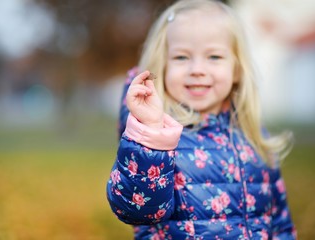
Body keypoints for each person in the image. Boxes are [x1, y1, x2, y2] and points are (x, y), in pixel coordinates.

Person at [106, 0, 297, 239]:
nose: (197, 69)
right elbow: (137, 210)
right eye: (182, 57)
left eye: (214, 56)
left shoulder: (254, 137)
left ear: (237, 69)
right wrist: (152, 136)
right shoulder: (157, 135)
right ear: (161, 66)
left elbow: (280, 223)